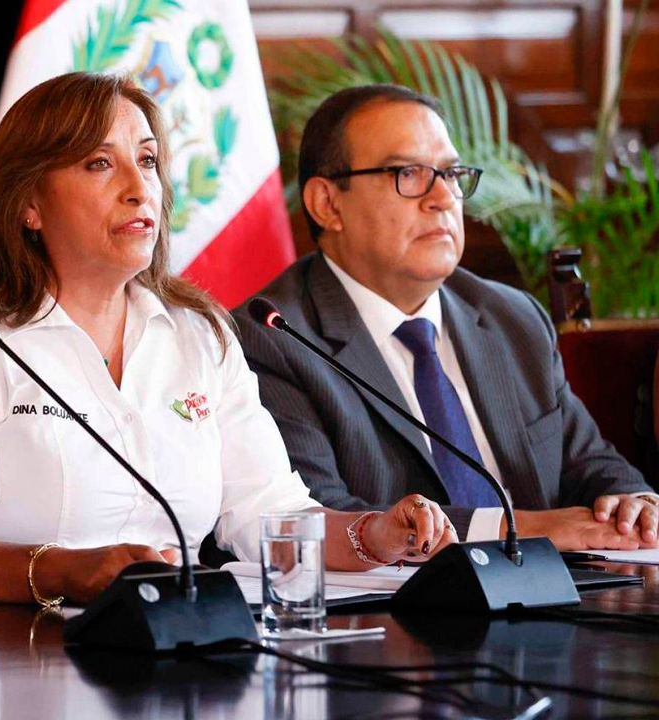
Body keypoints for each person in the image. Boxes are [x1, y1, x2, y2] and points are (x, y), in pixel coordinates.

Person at [0, 72, 456, 607]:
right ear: (29, 203)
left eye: (148, 160)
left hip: (181, 641)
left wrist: (372, 535)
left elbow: (268, 512)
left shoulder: (200, 336)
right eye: (100, 164)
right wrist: (69, 571)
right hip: (20, 653)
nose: (139, 188)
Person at [234, 84, 658, 551]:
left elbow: (591, 465)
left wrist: (630, 503)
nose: (442, 197)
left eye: (451, 173)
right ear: (328, 204)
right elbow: (316, 519)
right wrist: (525, 530)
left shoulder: (512, 319)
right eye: (408, 173)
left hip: (560, 585)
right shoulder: (274, 338)